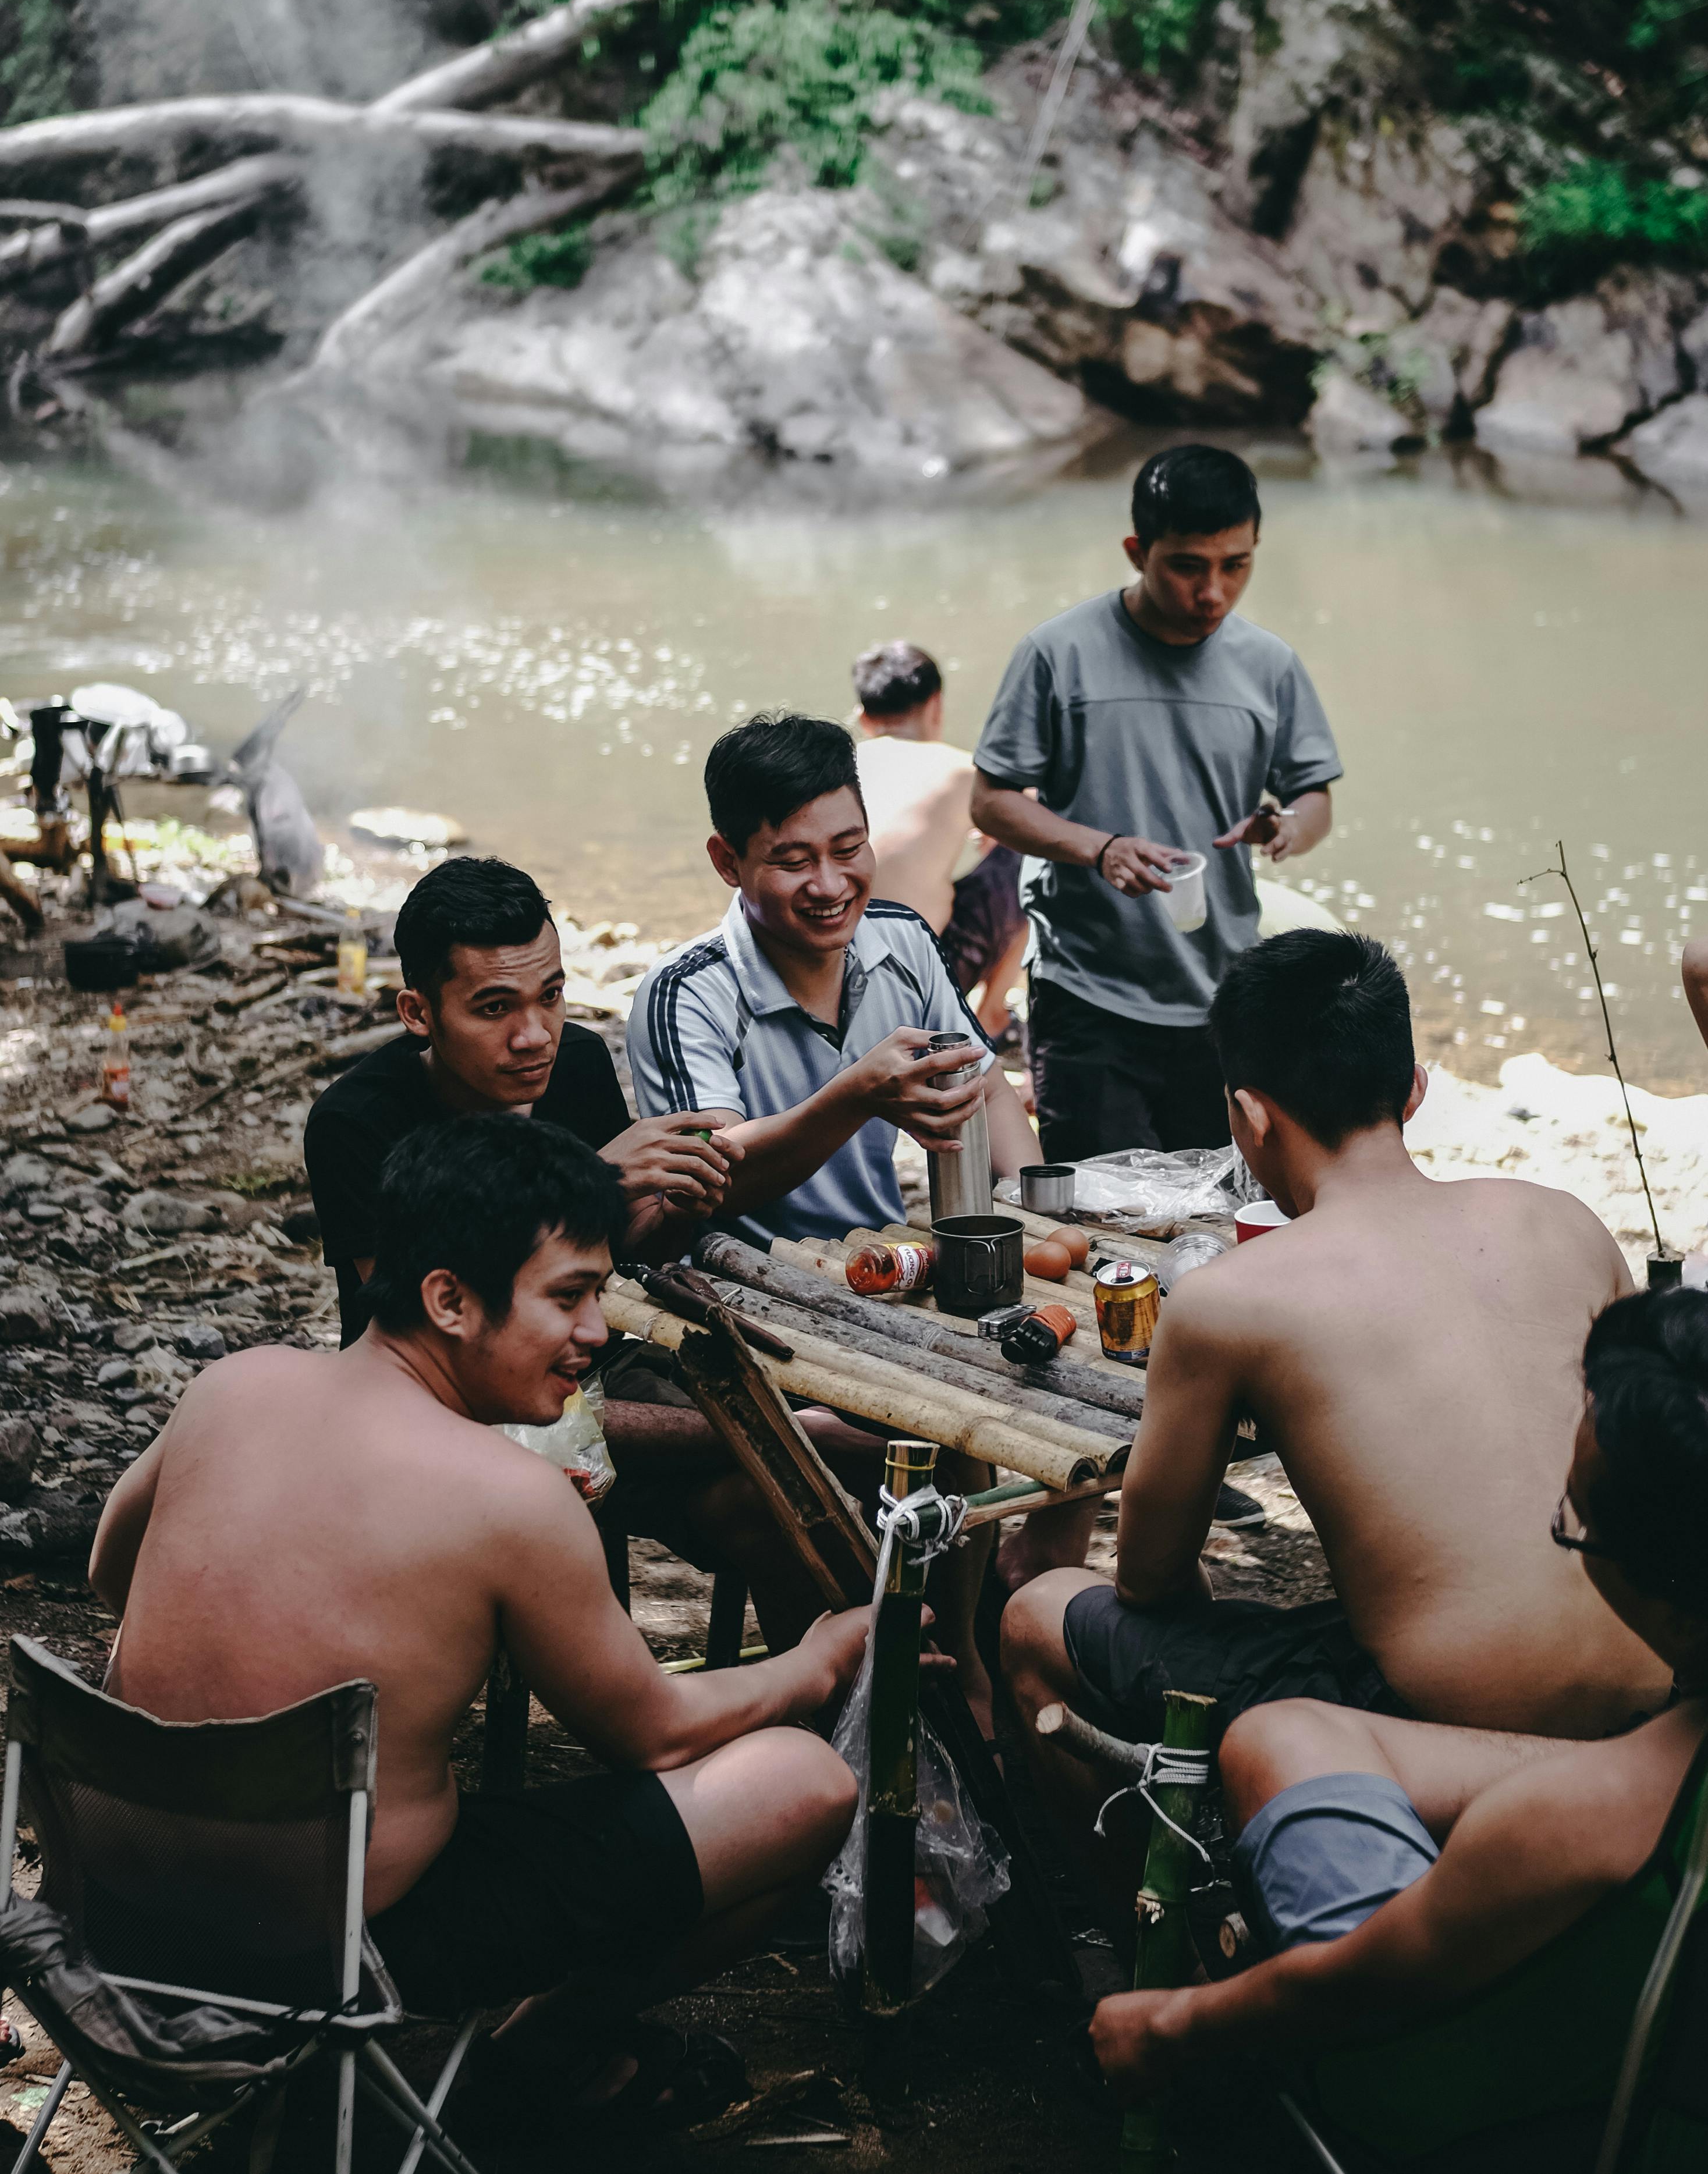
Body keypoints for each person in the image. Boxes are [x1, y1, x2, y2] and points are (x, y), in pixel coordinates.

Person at [92, 1117, 869, 2124]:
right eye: (570, 1296)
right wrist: (815, 1659)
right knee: (803, 1784)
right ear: (449, 1298)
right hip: (327, 1948)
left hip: (113, 1920)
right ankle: (526, 2064)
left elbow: (115, 1571)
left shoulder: (234, 1385)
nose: (597, 1332)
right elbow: (654, 1730)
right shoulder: (509, 1496)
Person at [1003, 930, 1670, 1896]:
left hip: (1432, 1719)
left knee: (1035, 1613)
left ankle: (1142, 1933)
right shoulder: (1562, 1215)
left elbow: (1147, 1578)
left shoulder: (1232, 1298)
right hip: (1657, 1680)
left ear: (1249, 1117)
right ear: (1415, 1090)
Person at [1088, 1284, 1708, 2174]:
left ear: (1668, 1596)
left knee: (1280, 1744)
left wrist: (1173, 2021)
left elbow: (1367, 1988)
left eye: (1569, 1525)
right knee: (1284, 1732)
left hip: (1514, 2112)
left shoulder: (1583, 1824)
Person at [628, 711, 1038, 1730]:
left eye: (848, 848)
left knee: (1050, 1428)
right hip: (740, 1316)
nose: (830, 883)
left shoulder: (898, 938)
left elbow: (982, 1092)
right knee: (909, 1462)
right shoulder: (688, 995)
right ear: (729, 860)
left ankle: (976, 1660)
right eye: (792, 859)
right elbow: (709, 1183)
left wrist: (1021, 1213)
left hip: (881, 1287)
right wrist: (851, 1097)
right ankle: (878, 1719)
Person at [304, 854, 825, 1648]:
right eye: (493, 1007)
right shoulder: (356, 1122)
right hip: (448, 1407)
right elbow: (414, 1315)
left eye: (550, 995)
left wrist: (675, 1202)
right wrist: (586, 1180)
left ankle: (842, 1716)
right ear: (417, 1011)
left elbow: (608, 1258)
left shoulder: (573, 1062)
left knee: (783, 1506)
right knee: (781, 1443)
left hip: (591, 1369)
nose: (533, 1034)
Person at [971, 443, 1341, 1164]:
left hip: (1223, 996)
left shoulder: (1269, 665)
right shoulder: (1058, 653)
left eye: (1236, 565)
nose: (1214, 592)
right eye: (1188, 565)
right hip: (1087, 992)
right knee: (1105, 1220)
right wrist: (1099, 848)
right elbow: (991, 802)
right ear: (1138, 551)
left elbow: (1314, 795)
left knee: (1212, 1215)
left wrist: (1287, 824)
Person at [851, 640, 1027, 1041]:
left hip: (827, 979)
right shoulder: (962, 769)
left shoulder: (839, 764)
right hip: (915, 986)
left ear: (864, 719)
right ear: (936, 706)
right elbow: (1034, 818)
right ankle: (991, 1018)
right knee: (1031, 852)